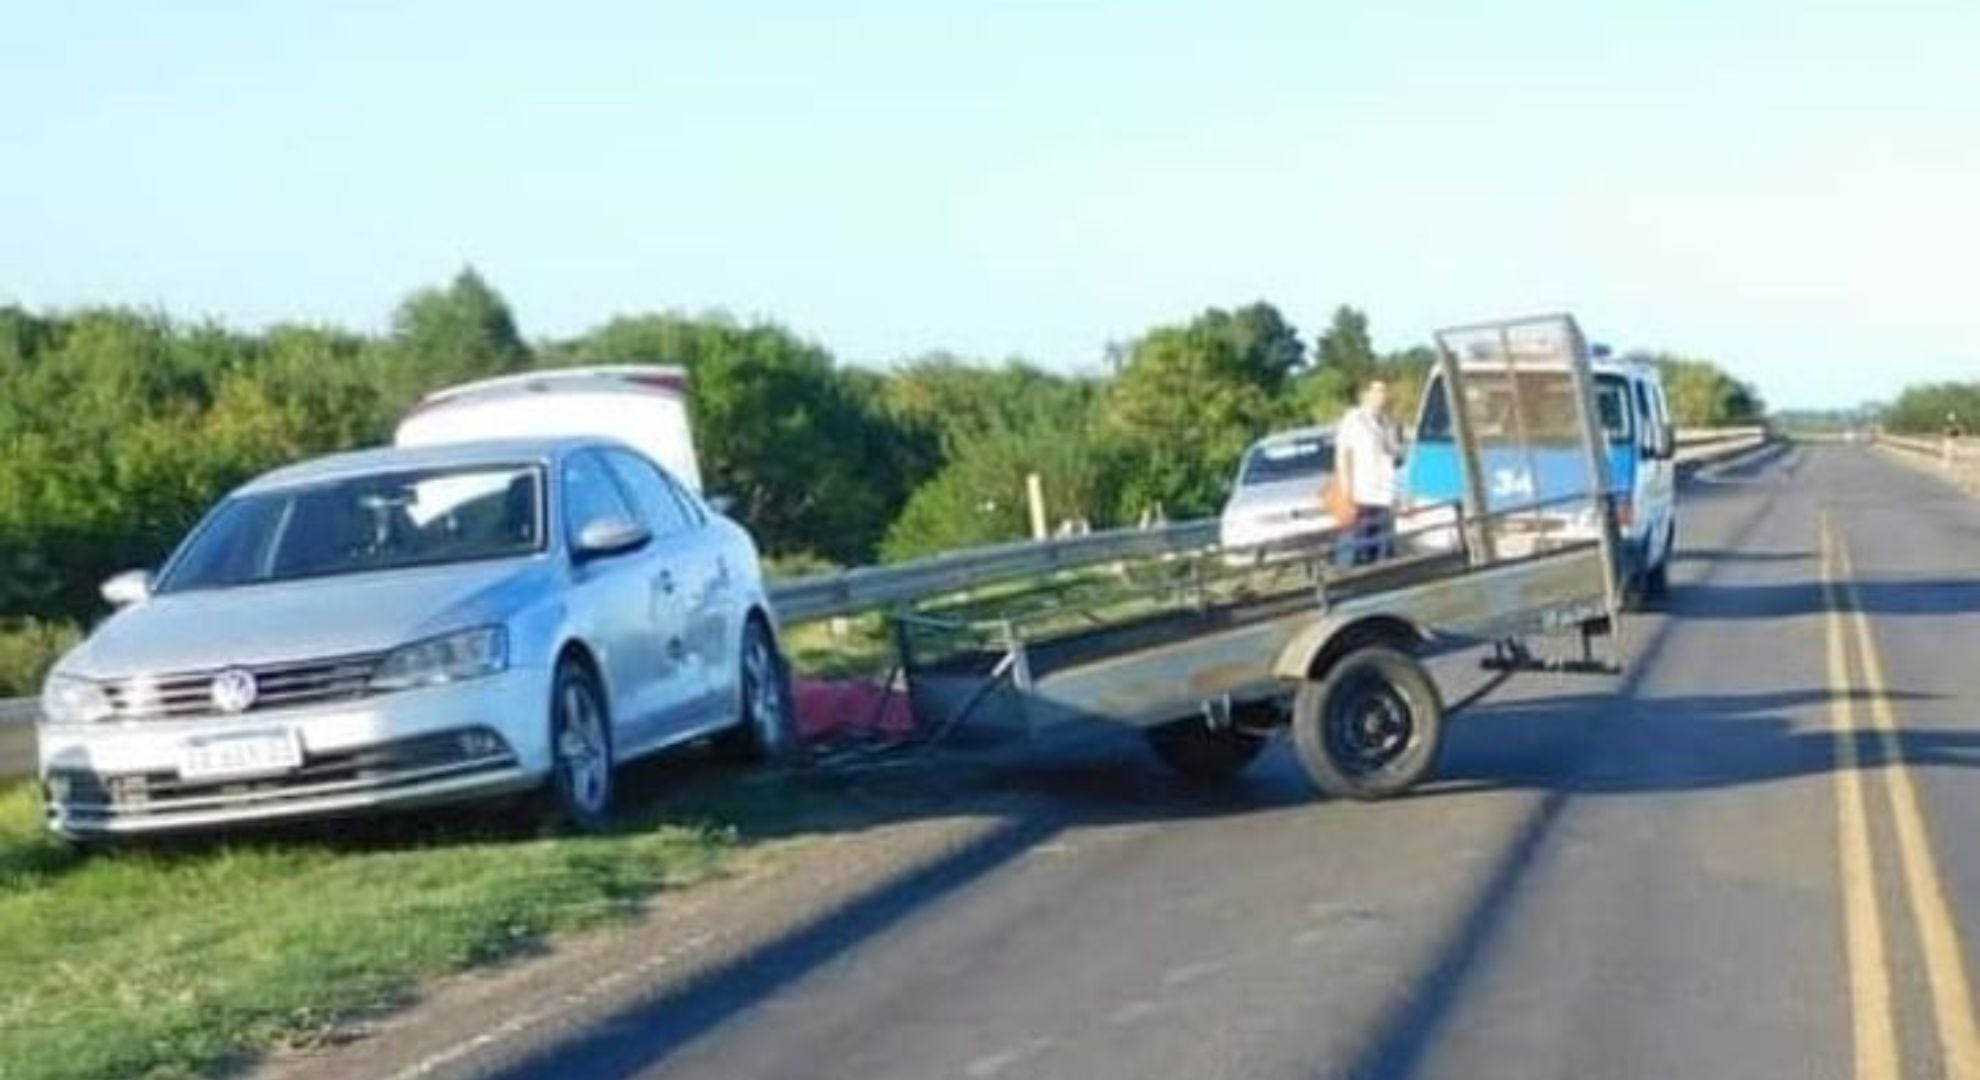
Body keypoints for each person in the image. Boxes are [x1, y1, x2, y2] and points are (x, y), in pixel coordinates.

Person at [1334, 378, 1402, 567]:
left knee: (1384, 546)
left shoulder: (1387, 422)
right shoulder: (1354, 419)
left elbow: (1394, 453)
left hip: (1385, 492)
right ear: (1366, 395)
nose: (1382, 396)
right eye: (1377, 391)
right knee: (1362, 542)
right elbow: (1344, 454)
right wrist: (1346, 488)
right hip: (1363, 492)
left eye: (1384, 391)